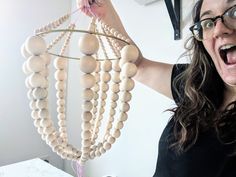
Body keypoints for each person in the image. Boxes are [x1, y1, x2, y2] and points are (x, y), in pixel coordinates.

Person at [78, 0, 236, 176]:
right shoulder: (198, 84)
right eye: (208, 22)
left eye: (234, 12)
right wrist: (104, 12)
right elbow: (137, 66)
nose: (219, 29)